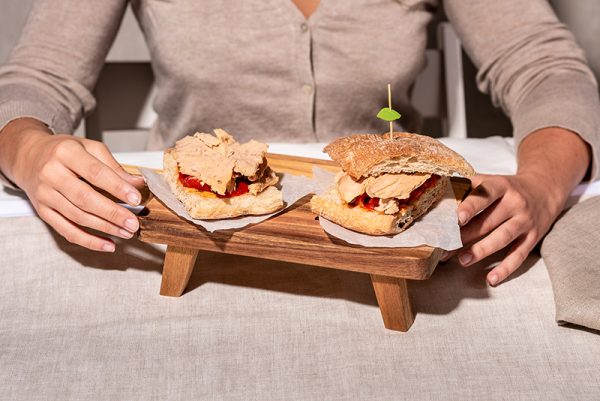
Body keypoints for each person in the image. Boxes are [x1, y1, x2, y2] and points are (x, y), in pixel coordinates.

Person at [0, 0, 598, 287]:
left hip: (406, 250)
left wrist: (546, 183)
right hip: (194, 245)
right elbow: (33, 80)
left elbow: (545, 67)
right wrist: (28, 151)